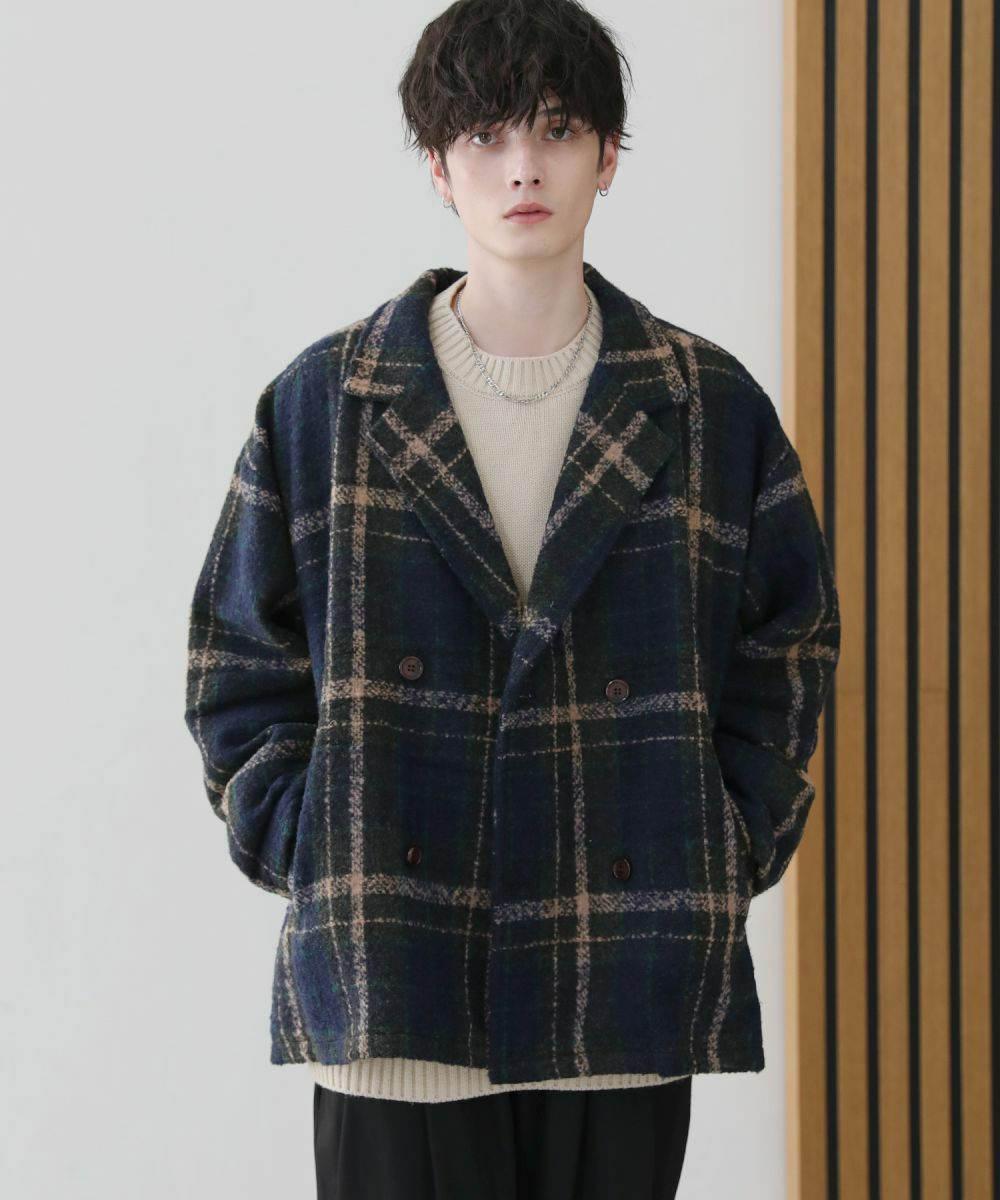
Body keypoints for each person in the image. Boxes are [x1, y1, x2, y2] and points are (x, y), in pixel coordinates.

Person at [183, 0, 841, 1197]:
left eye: (556, 129)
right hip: (395, 971)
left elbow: (788, 649)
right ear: (437, 166)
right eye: (484, 135)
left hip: (623, 970)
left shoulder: (708, 404)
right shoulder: (326, 401)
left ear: (608, 154)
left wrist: (718, 838)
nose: (522, 166)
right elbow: (236, 664)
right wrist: (319, 842)